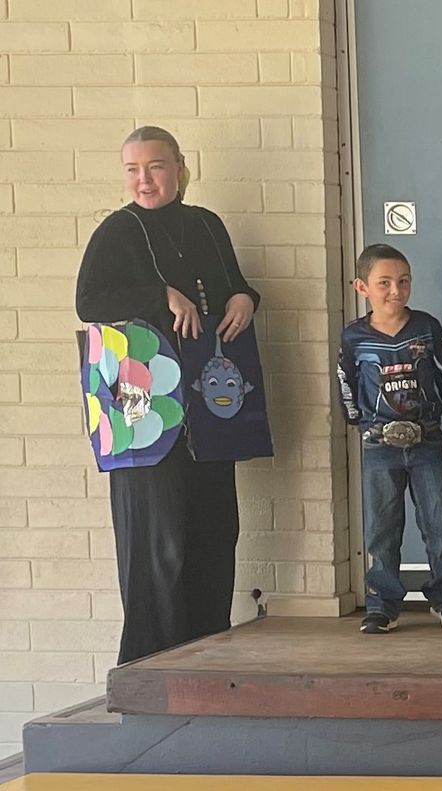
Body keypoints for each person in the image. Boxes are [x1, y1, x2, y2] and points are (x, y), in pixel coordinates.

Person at [76, 126, 259, 664]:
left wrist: (247, 298)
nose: (143, 179)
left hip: (205, 409)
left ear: (180, 167)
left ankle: (206, 651)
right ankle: (150, 664)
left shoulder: (206, 225)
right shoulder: (118, 230)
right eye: (132, 169)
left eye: (154, 166)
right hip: (145, 414)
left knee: (214, 527)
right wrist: (159, 294)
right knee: (158, 543)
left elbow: (234, 285)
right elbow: (89, 302)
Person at [337, 244, 442, 633]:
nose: (396, 290)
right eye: (384, 283)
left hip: (427, 441)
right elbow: (346, 381)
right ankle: (382, 603)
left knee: (440, 523)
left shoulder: (426, 327)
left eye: (404, 281)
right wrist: (358, 423)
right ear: (362, 287)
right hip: (379, 446)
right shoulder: (354, 336)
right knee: (382, 527)